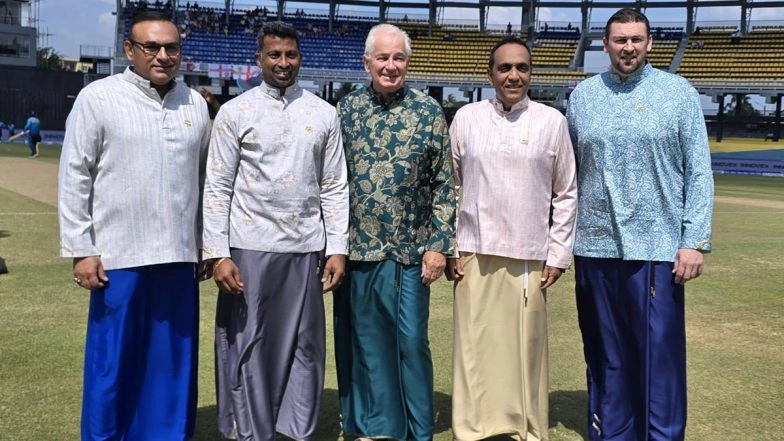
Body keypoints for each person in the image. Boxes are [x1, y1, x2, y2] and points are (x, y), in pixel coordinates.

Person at [57, 11, 211, 441]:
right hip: (118, 255)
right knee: (113, 360)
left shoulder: (195, 104)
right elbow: (75, 175)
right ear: (130, 50)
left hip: (179, 256)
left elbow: (204, 182)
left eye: (172, 48)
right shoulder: (99, 97)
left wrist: (205, 243)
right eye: (152, 47)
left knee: (171, 362)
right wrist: (81, 248)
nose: (163, 56)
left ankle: (166, 434)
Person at [565, 8, 713, 441]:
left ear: (649, 44)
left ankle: (661, 434)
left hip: (657, 246)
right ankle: (612, 431)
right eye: (619, 39)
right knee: (605, 350)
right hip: (594, 244)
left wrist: (694, 242)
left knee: (658, 353)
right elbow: (569, 172)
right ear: (605, 44)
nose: (627, 47)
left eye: (636, 39)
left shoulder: (678, 93)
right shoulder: (584, 97)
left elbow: (699, 172)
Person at [201, 21, 349, 441]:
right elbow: (217, 185)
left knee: (305, 346)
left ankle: (296, 429)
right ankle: (249, 429)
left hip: (306, 248)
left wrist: (337, 247)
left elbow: (334, 185)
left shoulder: (323, 113)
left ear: (301, 58)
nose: (283, 63)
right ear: (259, 59)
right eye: (274, 55)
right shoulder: (235, 112)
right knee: (249, 344)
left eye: (291, 55)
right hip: (250, 246)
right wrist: (218, 253)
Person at [445, 36, 577, 441]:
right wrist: (450, 247)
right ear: (490, 74)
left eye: (521, 67)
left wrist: (557, 254)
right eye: (504, 68)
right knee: (475, 348)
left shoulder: (552, 121)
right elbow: (452, 187)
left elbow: (566, 191)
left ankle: (526, 426)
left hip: (528, 253)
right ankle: (472, 427)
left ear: (531, 73)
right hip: (473, 249)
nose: (513, 75)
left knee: (525, 347)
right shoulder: (466, 118)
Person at [333, 23, 456, 441]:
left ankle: (417, 428)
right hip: (358, 249)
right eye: (382, 58)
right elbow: (332, 182)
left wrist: (439, 246)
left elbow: (444, 182)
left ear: (408, 62)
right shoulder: (346, 110)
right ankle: (370, 427)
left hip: (410, 250)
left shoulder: (428, 112)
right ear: (367, 62)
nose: (390, 66)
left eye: (398, 58)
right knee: (365, 343)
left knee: (410, 342)